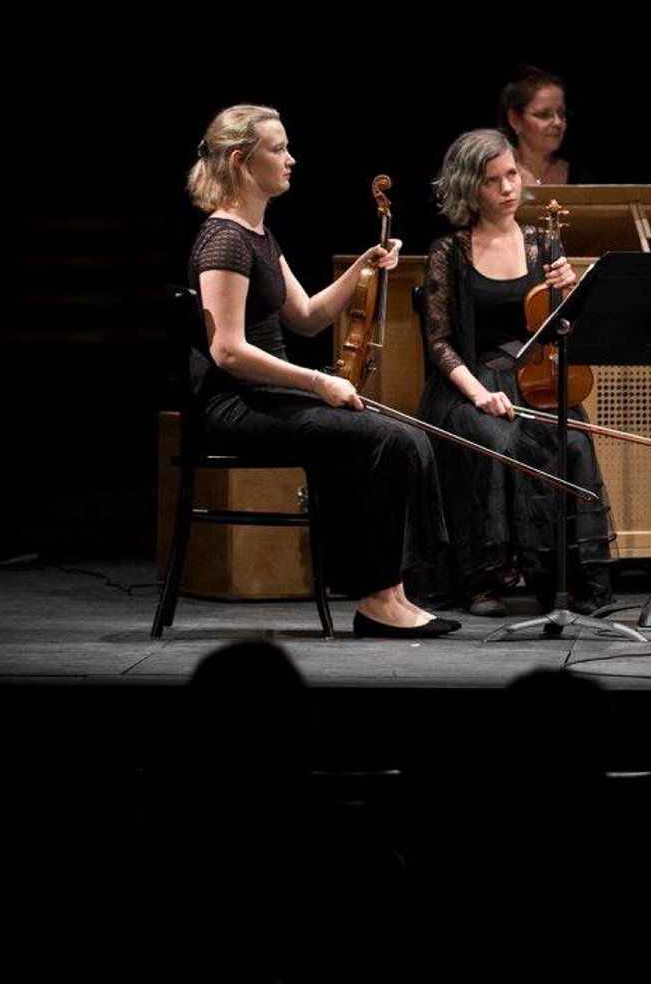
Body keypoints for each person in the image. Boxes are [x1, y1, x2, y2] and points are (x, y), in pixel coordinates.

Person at [184, 104, 455, 638]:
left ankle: (392, 590)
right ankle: (378, 596)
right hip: (235, 405)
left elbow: (306, 318)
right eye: (277, 148)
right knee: (389, 442)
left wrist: (363, 266)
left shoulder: (258, 234)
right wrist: (318, 382)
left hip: (265, 397)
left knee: (406, 434)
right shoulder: (224, 240)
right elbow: (229, 352)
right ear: (242, 161)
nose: (290, 158)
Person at [406, 128, 614, 616]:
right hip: (469, 384)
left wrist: (571, 292)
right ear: (468, 188)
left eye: (512, 175)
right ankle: (483, 579)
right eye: (493, 180)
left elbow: (560, 330)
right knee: (497, 442)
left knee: (574, 440)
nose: (507, 188)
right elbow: (438, 343)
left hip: (533, 382)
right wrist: (478, 394)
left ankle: (567, 579)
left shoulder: (543, 245)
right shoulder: (449, 252)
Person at [501, 64, 594, 186]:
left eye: (561, 114)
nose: (557, 122)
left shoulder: (581, 178)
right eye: (544, 115)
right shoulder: (494, 174)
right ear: (514, 120)